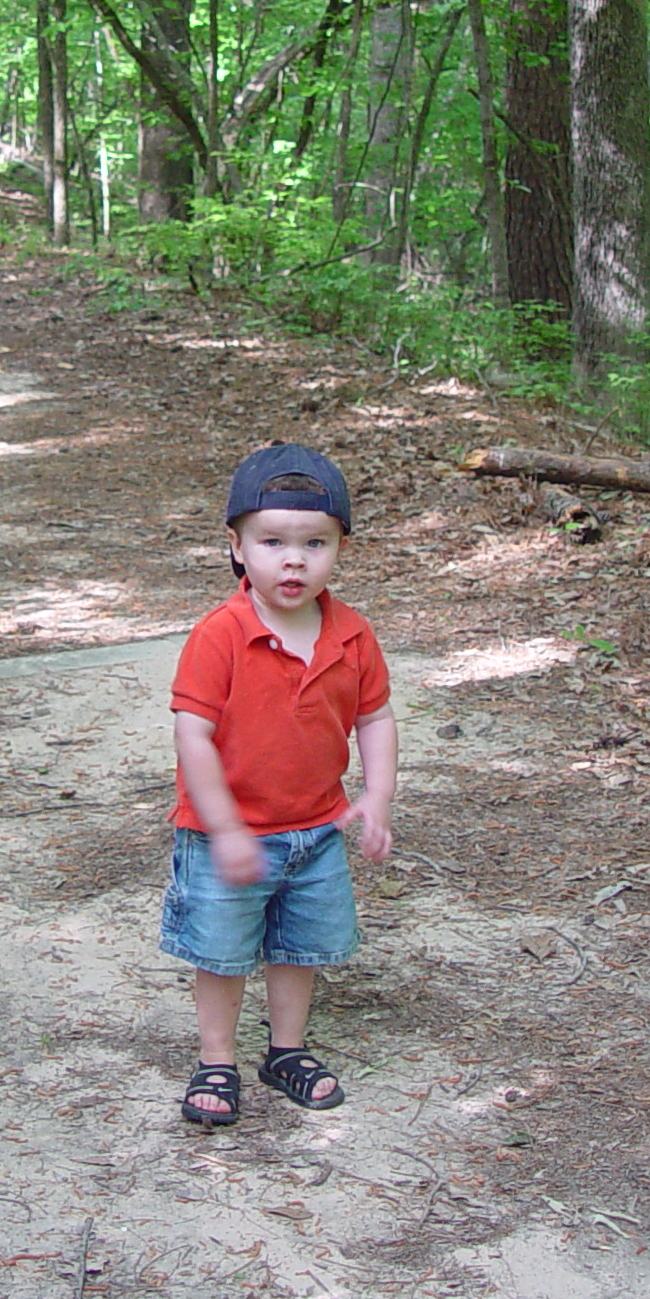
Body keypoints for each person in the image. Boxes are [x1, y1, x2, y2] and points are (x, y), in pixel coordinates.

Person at [162, 443, 397, 1126]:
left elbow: (375, 719)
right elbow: (192, 736)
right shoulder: (221, 636)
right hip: (223, 835)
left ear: (340, 548)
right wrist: (226, 826)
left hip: (317, 830)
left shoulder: (352, 636)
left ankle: (286, 1050)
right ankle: (216, 1058)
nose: (294, 560)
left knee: (300, 946)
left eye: (315, 543)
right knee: (224, 950)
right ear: (237, 548)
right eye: (272, 541)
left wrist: (376, 794)